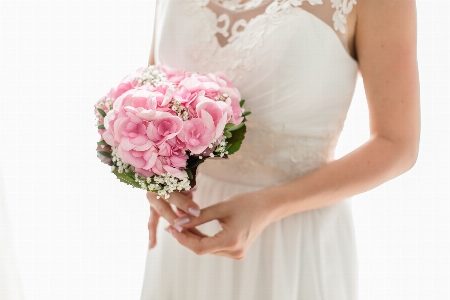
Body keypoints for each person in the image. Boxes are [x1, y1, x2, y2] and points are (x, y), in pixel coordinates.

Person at [141, 0, 420, 299]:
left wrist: (270, 204)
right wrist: (156, 177)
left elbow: (397, 144)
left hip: (293, 240)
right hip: (187, 232)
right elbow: (153, 96)